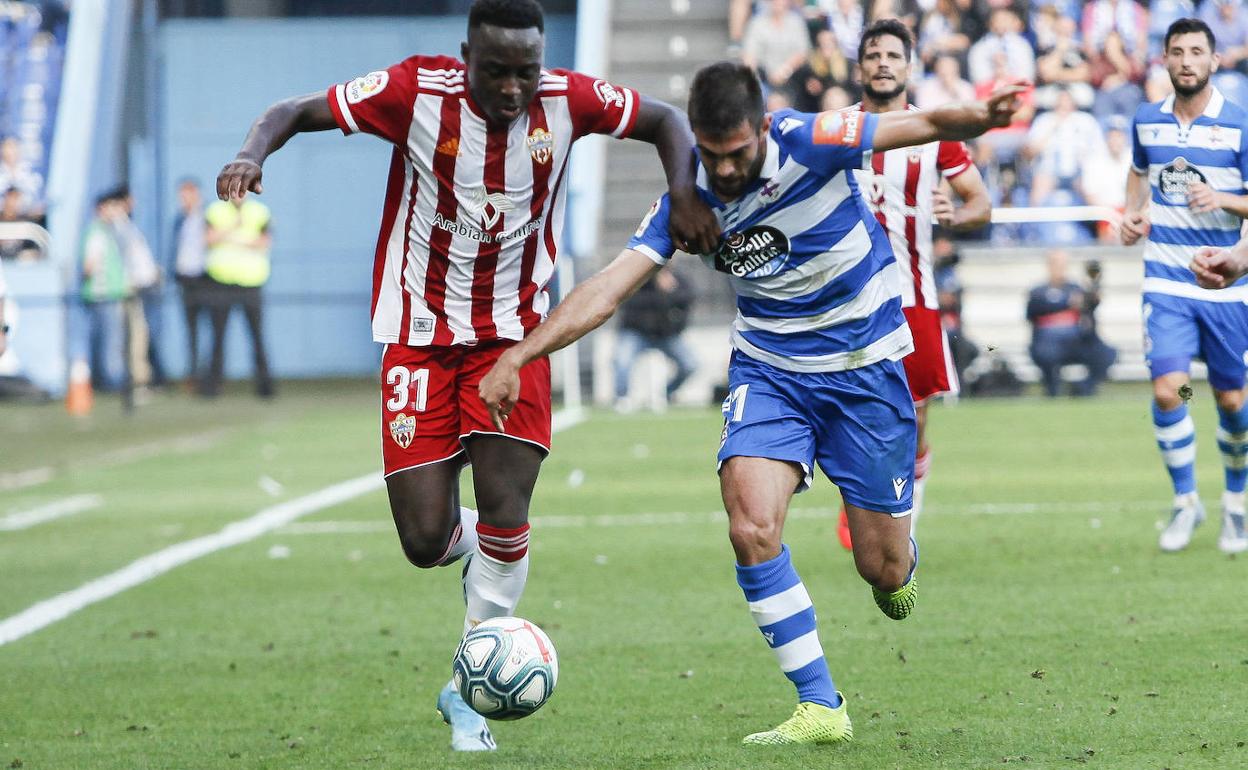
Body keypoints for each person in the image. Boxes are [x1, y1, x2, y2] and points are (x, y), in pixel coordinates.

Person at [214, 0, 718, 753]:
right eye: (496, 72)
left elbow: (667, 120)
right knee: (424, 540)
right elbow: (294, 109)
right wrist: (252, 152)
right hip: (418, 337)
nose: (513, 88)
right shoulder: (415, 92)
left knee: (506, 501)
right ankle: (499, 551)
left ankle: (469, 690)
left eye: (526, 71)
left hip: (514, 339)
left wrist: (683, 191)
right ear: (465, 56)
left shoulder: (568, 100)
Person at [480, 61, 1023, 747]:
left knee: (881, 569)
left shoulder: (810, 140)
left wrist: (984, 117)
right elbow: (608, 288)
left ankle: (899, 564)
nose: (727, 169)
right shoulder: (688, 199)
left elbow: (924, 122)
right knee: (751, 528)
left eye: (737, 152)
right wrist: (520, 355)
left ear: (762, 127)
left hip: (864, 370)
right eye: (712, 154)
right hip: (770, 373)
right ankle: (821, 706)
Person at [836, 19, 991, 549]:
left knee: (917, 418)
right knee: (846, 409)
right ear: (860, 68)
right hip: (845, 301)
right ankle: (858, 496)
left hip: (912, 295)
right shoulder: (835, 130)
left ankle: (907, 523)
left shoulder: (934, 133)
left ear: (909, 66)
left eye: (892, 56)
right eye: (873, 55)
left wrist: (957, 214)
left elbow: (980, 203)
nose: (883, 64)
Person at [1121, 18, 1248, 554]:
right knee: (1169, 389)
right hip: (1166, 278)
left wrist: (1223, 200)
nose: (1187, 60)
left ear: (1214, 61)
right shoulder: (1146, 120)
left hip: (1227, 286)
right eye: (1177, 51)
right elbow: (1138, 172)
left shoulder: (1240, 124)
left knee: (1232, 401)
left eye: (1197, 51)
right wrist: (1132, 214)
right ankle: (1185, 500)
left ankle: (1236, 503)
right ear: (1166, 60)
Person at [202, 194, 275, 399]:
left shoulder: (259, 212)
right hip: (221, 282)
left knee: (257, 336)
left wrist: (229, 239)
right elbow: (208, 239)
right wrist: (234, 229)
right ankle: (212, 385)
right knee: (218, 337)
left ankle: (265, 386)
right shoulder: (215, 210)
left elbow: (264, 242)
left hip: (251, 282)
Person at [1025, 249, 1114, 397]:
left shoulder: (1075, 288)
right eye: (1056, 264)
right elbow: (1033, 311)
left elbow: (1089, 311)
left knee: (1106, 353)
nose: (1059, 268)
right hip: (1048, 343)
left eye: (1063, 264)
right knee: (1045, 354)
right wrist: (1066, 303)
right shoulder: (1038, 291)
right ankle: (1053, 390)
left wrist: (1093, 296)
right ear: (1049, 266)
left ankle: (1084, 389)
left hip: (1076, 341)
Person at [611, 264, 696, 410]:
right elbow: (629, 303)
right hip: (637, 333)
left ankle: (666, 393)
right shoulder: (638, 279)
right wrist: (659, 292)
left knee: (690, 365)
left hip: (666, 334)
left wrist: (669, 292)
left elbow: (688, 298)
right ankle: (622, 397)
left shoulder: (677, 280)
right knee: (622, 360)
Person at [80, 193, 129, 392]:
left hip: (106, 293)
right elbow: (89, 265)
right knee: (111, 341)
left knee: (106, 340)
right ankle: (112, 381)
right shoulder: (97, 232)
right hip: (104, 293)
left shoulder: (106, 231)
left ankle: (106, 379)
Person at [172, 177, 209, 389]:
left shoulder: (208, 216)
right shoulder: (180, 219)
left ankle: (209, 375)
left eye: (187, 194)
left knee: (211, 329)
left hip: (205, 279)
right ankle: (194, 374)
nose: (183, 199)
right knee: (191, 330)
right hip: (185, 280)